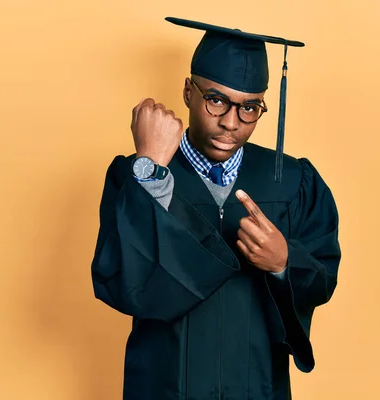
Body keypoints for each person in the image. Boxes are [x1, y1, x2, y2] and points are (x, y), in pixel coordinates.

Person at [91, 17, 341, 400]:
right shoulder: (136, 172)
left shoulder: (292, 181)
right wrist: (151, 170)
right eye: (216, 99)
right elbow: (120, 280)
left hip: (256, 387)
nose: (230, 122)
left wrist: (284, 263)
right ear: (189, 91)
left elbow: (323, 279)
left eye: (250, 108)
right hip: (164, 387)